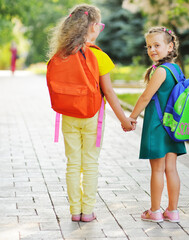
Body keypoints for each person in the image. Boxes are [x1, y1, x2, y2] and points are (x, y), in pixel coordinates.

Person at [47, 4, 135, 222]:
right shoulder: (98, 56)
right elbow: (110, 94)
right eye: (101, 25)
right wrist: (124, 120)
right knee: (90, 163)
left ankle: (74, 211)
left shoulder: (62, 54)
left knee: (73, 163)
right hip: (92, 117)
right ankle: (88, 212)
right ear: (94, 27)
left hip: (68, 115)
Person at [129, 27, 186, 223]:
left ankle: (154, 211)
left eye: (157, 45)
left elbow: (146, 97)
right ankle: (173, 211)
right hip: (172, 127)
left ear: (170, 47)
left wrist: (132, 117)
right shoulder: (176, 69)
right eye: (149, 46)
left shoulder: (161, 71)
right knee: (171, 169)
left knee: (157, 170)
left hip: (157, 126)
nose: (152, 49)